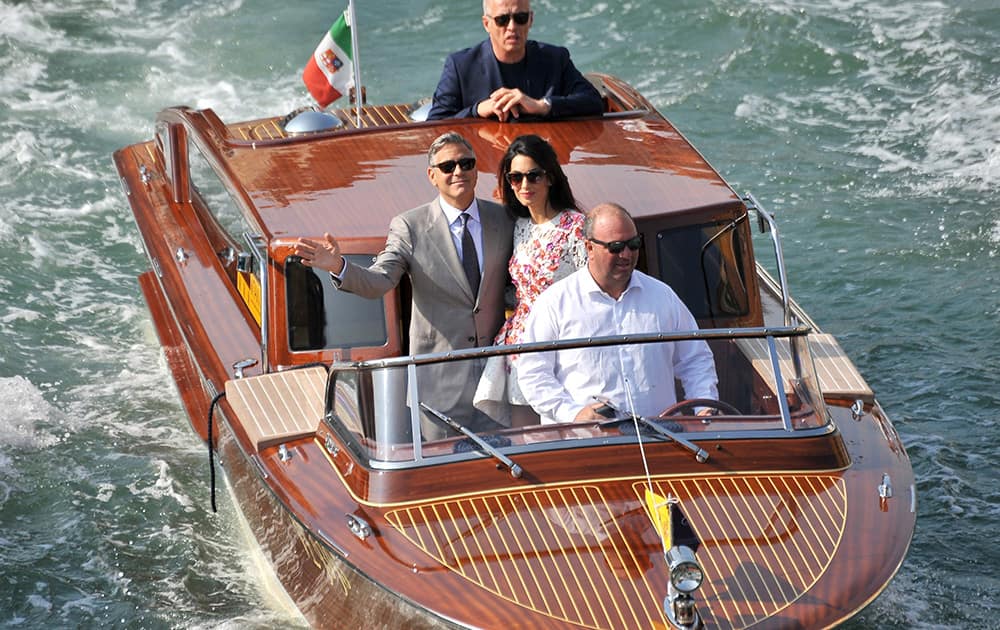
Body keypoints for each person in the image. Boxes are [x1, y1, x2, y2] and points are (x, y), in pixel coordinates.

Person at [290, 132, 514, 436]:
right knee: (444, 476)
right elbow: (379, 281)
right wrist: (339, 266)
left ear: (476, 169)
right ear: (432, 176)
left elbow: (516, 284)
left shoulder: (503, 218)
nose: (458, 171)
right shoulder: (410, 226)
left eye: (466, 163)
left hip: (497, 380)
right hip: (439, 388)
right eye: (448, 167)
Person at [515, 203, 719, 424]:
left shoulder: (663, 296)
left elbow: (695, 360)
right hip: (585, 443)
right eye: (616, 247)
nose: (626, 254)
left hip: (662, 438)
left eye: (633, 244)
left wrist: (704, 409)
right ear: (589, 248)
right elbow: (533, 375)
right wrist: (573, 413)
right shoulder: (554, 303)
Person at [473, 134, 588, 425]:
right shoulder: (517, 225)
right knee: (526, 439)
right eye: (516, 177)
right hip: (521, 344)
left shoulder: (576, 227)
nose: (524, 186)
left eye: (533, 176)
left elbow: (592, 290)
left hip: (567, 343)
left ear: (550, 177)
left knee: (570, 428)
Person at [427, 0, 604, 121]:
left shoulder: (556, 59)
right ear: (487, 24)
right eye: (502, 20)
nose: (512, 27)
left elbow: (593, 102)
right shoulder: (460, 66)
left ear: (531, 20)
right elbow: (435, 124)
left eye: (520, 18)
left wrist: (542, 106)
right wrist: (478, 110)